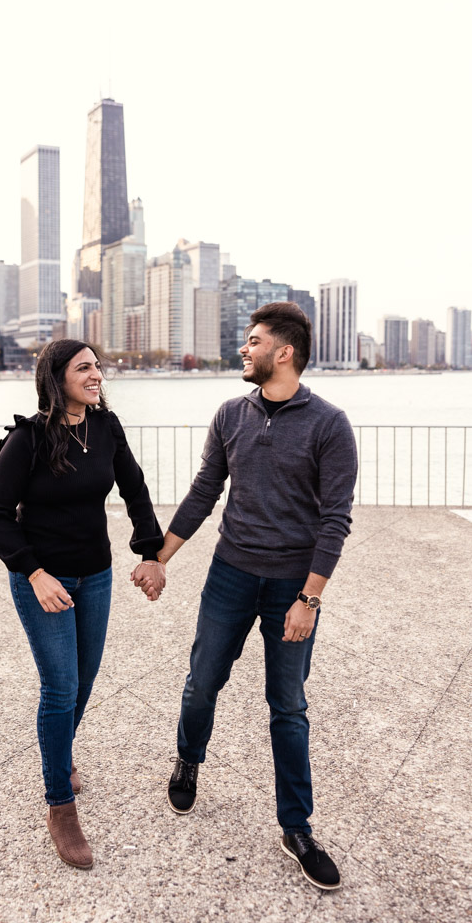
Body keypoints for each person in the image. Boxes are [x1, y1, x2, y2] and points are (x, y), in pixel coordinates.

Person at [133, 302, 357, 891]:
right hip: (230, 574)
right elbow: (205, 490)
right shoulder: (231, 413)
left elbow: (334, 520)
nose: (244, 348)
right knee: (202, 680)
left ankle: (297, 828)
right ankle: (189, 760)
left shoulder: (330, 425)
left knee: (288, 706)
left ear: (283, 353)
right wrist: (159, 559)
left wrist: (309, 599)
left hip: (292, 585)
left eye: (253, 341)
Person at [0, 339, 165, 871]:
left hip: (97, 575)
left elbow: (135, 490)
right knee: (60, 687)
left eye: (97, 367)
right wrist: (34, 573)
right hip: (44, 578)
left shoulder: (105, 428)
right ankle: (59, 806)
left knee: (84, 681)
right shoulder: (28, 439)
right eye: (84, 368)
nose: (96, 375)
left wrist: (151, 553)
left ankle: (59, 759)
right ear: (56, 376)